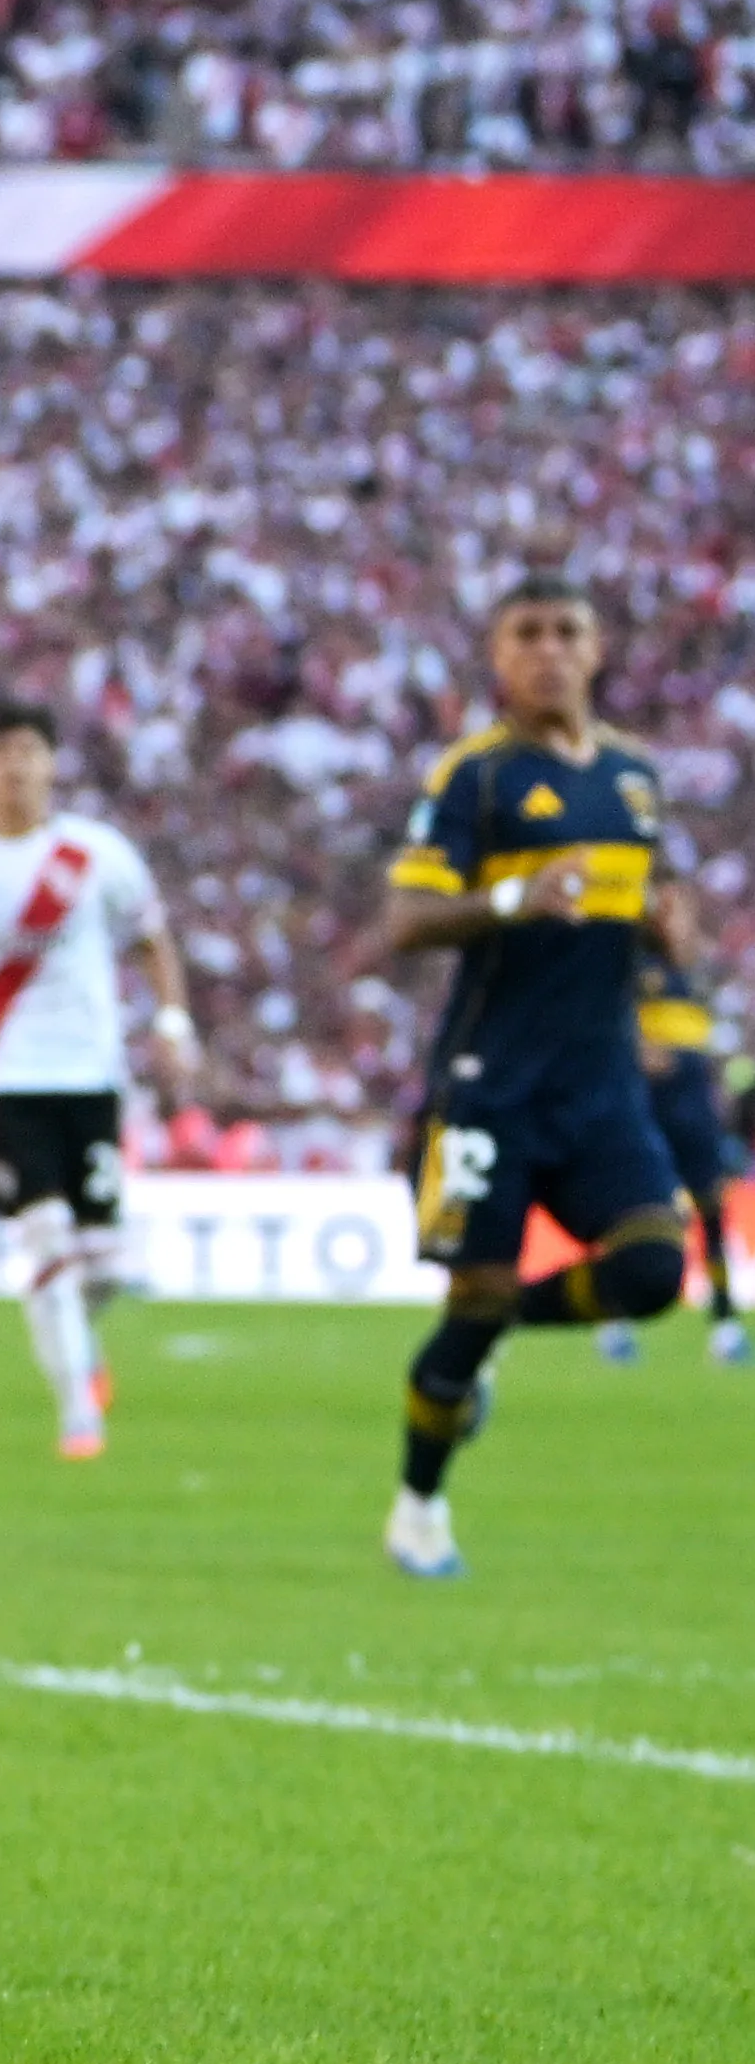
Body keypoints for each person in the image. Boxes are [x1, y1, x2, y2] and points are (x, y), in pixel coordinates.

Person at [378, 575, 684, 1580]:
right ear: (497, 657)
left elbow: (625, 911)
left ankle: (503, 1320)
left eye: (566, 631)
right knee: (471, 1294)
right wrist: (511, 897)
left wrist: (661, 934)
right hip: (487, 1082)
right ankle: (417, 1508)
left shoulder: (635, 777)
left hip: (600, 1086)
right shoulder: (474, 776)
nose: (548, 649)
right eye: (527, 634)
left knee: (652, 1269)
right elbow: (405, 921)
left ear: (596, 650)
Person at [0, 701, 197, 1458]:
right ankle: (77, 1413)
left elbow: (152, 940)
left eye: (28, 750)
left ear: (52, 762)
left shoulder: (96, 854)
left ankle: (79, 1347)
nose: (15, 765)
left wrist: (171, 1025)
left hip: (90, 1072)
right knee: (46, 1237)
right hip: (2, 1075)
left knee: (102, 1264)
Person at [608, 910, 745, 1366]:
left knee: (712, 1209)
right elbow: (604, 1020)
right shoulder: (630, 964)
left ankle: (724, 1322)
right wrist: (635, 1049)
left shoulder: (696, 975)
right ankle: (616, 1320)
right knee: (630, 1212)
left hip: (694, 1111)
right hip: (647, 1107)